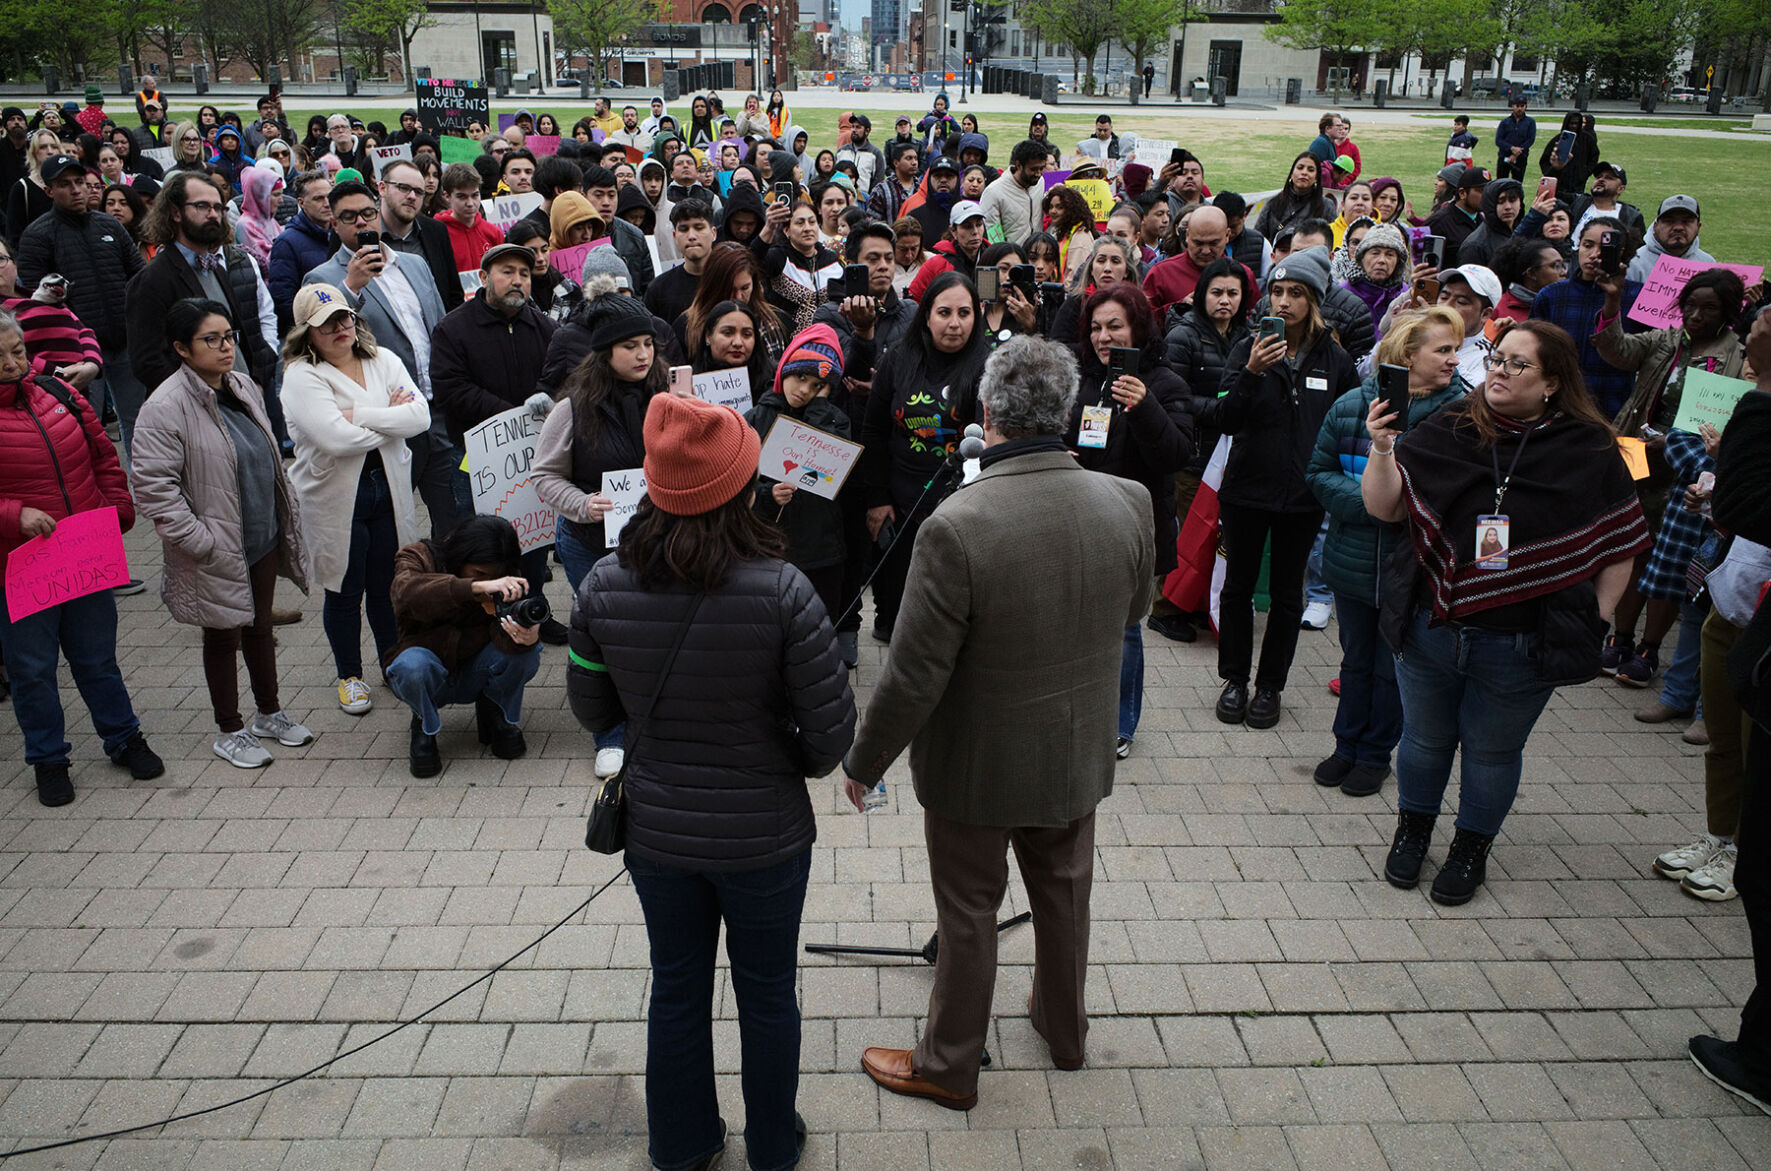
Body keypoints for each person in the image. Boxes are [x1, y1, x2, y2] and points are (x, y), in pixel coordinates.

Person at [843, 334, 1154, 1109]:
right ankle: (1063, 1027)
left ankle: (949, 1062)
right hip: (1075, 751)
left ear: (987, 413)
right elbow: (1136, 610)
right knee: (1063, 893)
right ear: (1069, 411)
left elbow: (914, 672)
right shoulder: (1130, 500)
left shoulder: (956, 523)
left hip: (976, 765)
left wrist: (864, 760)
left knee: (969, 909)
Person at [568, 387, 852, 1171]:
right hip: (764, 836)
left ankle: (682, 1144)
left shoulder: (601, 585)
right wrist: (774, 751)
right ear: (739, 484)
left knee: (677, 988)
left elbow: (594, 706)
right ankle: (770, 1146)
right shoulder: (784, 590)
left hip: (658, 834)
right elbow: (829, 739)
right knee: (766, 993)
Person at [1359, 319, 1649, 904]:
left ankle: (1471, 849)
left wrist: (1595, 619)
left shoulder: (1589, 449)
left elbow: (1622, 545)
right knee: (1423, 742)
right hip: (1432, 626)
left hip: (1522, 642)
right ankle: (1412, 834)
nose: (1498, 370)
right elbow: (1385, 507)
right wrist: (1383, 449)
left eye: (1518, 364)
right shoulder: (1450, 426)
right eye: (1496, 357)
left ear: (1552, 383)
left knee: (1491, 754)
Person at [130, 298, 314, 769]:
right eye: (211, 340)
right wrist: (199, 541)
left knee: (260, 626)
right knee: (222, 636)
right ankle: (229, 729)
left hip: (261, 535)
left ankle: (269, 713)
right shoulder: (164, 407)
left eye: (228, 336)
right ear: (182, 348)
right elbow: (154, 489)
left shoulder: (242, 386)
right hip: (215, 548)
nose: (225, 347)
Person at [0, 309, 163, 805]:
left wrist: (116, 511)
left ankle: (123, 738)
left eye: (17, 351)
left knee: (97, 658)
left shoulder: (59, 393)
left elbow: (102, 455)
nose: (12, 364)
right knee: (32, 670)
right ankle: (49, 759)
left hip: (81, 555)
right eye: (1, 357)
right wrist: (14, 515)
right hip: (21, 566)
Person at [1307, 307, 1468, 797]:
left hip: (1413, 571)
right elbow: (1318, 471)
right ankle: (1345, 746)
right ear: (1406, 353)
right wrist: (1372, 504)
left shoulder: (1459, 415)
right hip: (1352, 563)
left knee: (1391, 666)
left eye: (1456, 349)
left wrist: (1397, 505)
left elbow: (1450, 494)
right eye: (1443, 349)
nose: (1453, 359)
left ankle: (1376, 755)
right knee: (1356, 660)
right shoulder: (1353, 404)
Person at [1213, 247, 1359, 728]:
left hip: (1302, 497)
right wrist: (1253, 372)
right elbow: (1225, 418)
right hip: (1246, 489)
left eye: (1296, 293)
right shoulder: (1246, 349)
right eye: (1277, 291)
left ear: (1314, 300)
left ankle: (1270, 686)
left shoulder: (1334, 358)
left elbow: (1345, 424)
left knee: (1287, 595)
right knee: (1237, 588)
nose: (1284, 302)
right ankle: (1234, 679)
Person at [531, 292, 666, 779]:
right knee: (606, 636)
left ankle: (653, 721)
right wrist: (583, 505)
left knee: (652, 633)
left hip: (656, 541)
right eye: (630, 345)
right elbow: (544, 477)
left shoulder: (667, 399)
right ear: (605, 351)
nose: (643, 354)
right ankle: (608, 735)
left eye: (648, 343)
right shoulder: (572, 409)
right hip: (590, 544)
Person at [1594, 267, 1747, 691]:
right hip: (1637, 453)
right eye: (1690, 306)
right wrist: (1612, 303)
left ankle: (1649, 648)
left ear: (1728, 313)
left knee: (1670, 558)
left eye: (1708, 308)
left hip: (1687, 463)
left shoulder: (1737, 355)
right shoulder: (1665, 340)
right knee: (1632, 548)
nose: (1695, 316)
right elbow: (1617, 351)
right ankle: (1619, 637)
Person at [282, 284, 431, 717]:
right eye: (326, 324)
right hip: (336, 499)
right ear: (307, 334)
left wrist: (360, 415)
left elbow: (420, 417)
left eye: (344, 318)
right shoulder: (301, 376)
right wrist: (391, 417)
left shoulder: (383, 360)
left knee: (388, 586)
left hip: (385, 489)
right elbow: (336, 439)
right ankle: (349, 675)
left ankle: (391, 663)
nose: (339, 328)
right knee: (345, 590)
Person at [1065, 284, 1192, 758]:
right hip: (1079, 518)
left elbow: (1175, 454)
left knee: (1123, 627)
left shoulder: (1164, 384)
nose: (1104, 336)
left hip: (1133, 529)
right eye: (1096, 327)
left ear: (1138, 327)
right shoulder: (1081, 379)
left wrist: (1144, 408)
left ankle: (1121, 723)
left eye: (1114, 326)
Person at [430, 242, 564, 642]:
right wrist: (512, 414)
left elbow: (558, 373)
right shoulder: (453, 328)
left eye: (524, 273)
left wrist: (542, 397)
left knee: (534, 540)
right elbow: (451, 388)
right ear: (484, 278)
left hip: (531, 458)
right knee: (480, 545)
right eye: (508, 271)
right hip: (473, 460)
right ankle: (482, 622)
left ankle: (533, 612)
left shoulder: (543, 327)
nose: (518, 280)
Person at [859, 272, 987, 642]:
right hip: (899, 503)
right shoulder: (899, 357)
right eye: (944, 312)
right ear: (926, 315)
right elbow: (874, 431)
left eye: (964, 313)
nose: (954, 323)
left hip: (960, 508)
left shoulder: (989, 365)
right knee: (896, 617)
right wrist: (877, 498)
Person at [125, 173, 282, 450]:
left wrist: (256, 378)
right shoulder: (153, 279)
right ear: (175, 212)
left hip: (245, 401)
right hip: (198, 420)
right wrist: (204, 399)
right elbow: (148, 361)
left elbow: (246, 331)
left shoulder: (218, 266)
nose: (213, 214)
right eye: (202, 207)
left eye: (218, 207)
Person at [385, 514, 543, 776]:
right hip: (427, 663)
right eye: (479, 572)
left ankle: (496, 710)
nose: (490, 580)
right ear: (460, 555)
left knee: (528, 653)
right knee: (411, 667)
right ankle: (424, 725)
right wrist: (473, 587)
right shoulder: (418, 555)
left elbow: (503, 635)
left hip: (475, 666)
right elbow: (405, 593)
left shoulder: (507, 573)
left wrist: (525, 637)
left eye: (495, 576)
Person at [19, 154, 146, 452]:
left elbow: (139, 274)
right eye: (65, 184)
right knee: (84, 427)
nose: (77, 190)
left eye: (80, 182)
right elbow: (31, 301)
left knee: (137, 421)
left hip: (124, 339)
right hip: (76, 353)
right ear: (49, 191)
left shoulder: (109, 226)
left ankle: (141, 492)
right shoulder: (37, 236)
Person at [1531, 218, 1644, 418]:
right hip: (1558, 406)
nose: (1595, 255)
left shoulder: (1638, 296)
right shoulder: (1552, 295)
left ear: (1621, 252)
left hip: (1614, 406)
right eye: (1588, 245)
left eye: (1605, 247)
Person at [757, 196, 840, 336]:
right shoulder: (779, 257)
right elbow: (751, 261)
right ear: (786, 230)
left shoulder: (832, 261)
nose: (807, 228)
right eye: (800, 223)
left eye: (812, 222)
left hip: (827, 343)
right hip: (788, 344)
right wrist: (769, 227)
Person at [1626, 194, 1713, 283]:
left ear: (1698, 227)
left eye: (1686, 222)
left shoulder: (1708, 264)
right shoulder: (1634, 264)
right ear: (1655, 227)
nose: (1678, 227)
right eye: (1669, 221)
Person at [1252, 154, 1329, 243]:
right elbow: (1257, 239)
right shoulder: (1273, 203)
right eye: (1300, 168)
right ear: (1292, 174)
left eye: (1310, 170)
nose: (1304, 172)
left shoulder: (1326, 206)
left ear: (1316, 178)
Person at [1491, 236, 1566, 325]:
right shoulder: (1498, 312)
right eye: (1556, 266)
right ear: (1532, 273)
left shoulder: (1567, 303)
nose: (1564, 272)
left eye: (1563, 264)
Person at [1455, 178, 1524, 269]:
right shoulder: (1475, 246)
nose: (1508, 207)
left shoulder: (1521, 231)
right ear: (1490, 205)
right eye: (1501, 201)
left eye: (1513, 200)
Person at [1427, 168, 1488, 267]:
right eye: (1481, 191)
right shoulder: (1439, 223)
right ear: (1462, 193)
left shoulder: (1484, 222)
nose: (1486, 195)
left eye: (1488, 190)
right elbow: (1428, 267)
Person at [1495, 97, 1536, 181]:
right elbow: (1498, 140)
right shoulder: (1505, 122)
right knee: (1500, 183)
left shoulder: (1530, 122)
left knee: (1517, 183)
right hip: (1504, 157)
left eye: (1522, 106)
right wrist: (1511, 148)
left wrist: (1517, 152)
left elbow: (1530, 139)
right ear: (1512, 106)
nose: (1519, 108)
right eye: (1517, 106)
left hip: (1521, 158)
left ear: (1526, 107)